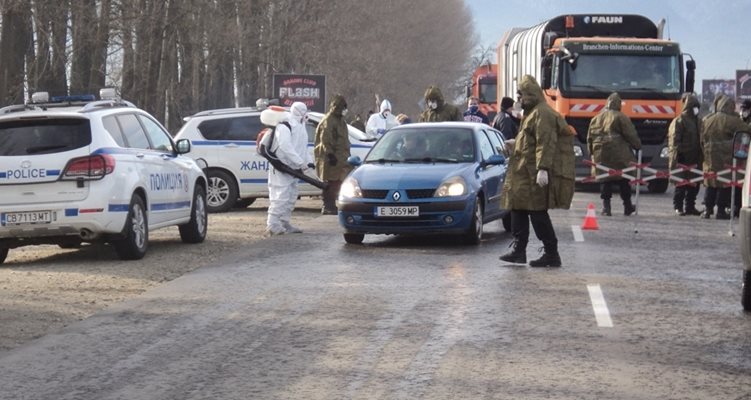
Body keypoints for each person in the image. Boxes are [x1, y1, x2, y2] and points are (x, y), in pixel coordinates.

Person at [498, 75, 575, 267]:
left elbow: (545, 143)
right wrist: (513, 144)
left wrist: (543, 168)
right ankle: (519, 250)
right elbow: (529, 143)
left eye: (521, 96)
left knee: (537, 213)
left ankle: (551, 253)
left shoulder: (542, 114)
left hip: (532, 174)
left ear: (530, 95)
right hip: (523, 173)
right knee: (518, 209)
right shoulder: (531, 114)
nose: (519, 100)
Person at [587, 92, 641, 216]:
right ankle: (627, 206)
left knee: (605, 179)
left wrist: (591, 153)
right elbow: (630, 134)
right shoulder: (621, 117)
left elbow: (590, 137)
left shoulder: (596, 118)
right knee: (623, 178)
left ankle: (606, 208)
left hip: (600, 153)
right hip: (619, 154)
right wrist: (637, 146)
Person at [265, 102, 314, 235]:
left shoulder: (300, 125)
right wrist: (299, 162)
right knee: (280, 196)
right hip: (282, 167)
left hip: (294, 168)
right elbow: (285, 147)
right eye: (304, 111)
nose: (306, 113)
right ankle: (272, 224)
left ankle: (284, 222)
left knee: (291, 195)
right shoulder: (285, 125)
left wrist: (308, 162)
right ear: (298, 111)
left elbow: (303, 147)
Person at [701, 94, 749, 219]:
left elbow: (701, 139)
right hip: (726, 158)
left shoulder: (707, 119)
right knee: (725, 184)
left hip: (709, 157)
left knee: (710, 183)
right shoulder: (733, 121)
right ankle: (721, 211)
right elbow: (746, 131)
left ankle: (707, 209)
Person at [314, 94, 352, 215]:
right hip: (330, 159)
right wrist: (330, 155)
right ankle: (328, 206)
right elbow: (326, 140)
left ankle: (333, 205)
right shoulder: (328, 121)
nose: (345, 110)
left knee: (339, 182)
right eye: (343, 107)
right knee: (330, 183)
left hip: (341, 158)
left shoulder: (340, 120)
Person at [668, 94, 703, 216]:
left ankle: (690, 206)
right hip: (682, 158)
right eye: (695, 107)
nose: (696, 109)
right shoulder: (679, 121)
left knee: (694, 184)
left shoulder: (698, 121)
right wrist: (678, 153)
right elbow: (674, 140)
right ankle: (678, 206)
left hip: (695, 158)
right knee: (681, 184)